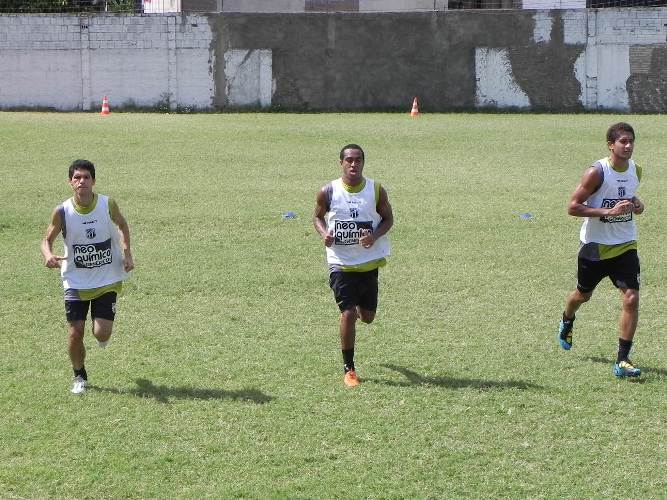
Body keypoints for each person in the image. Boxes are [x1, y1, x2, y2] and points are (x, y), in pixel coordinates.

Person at [558, 123, 645, 378]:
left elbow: (631, 200)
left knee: (631, 298)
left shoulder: (636, 170)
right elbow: (573, 207)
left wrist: (637, 205)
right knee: (581, 295)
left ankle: (623, 359)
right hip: (594, 248)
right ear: (611, 145)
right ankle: (567, 319)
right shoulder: (597, 172)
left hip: (625, 244)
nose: (628, 146)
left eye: (631, 141)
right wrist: (607, 211)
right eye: (623, 142)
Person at [41, 159, 134, 394]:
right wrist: (48, 255)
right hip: (76, 281)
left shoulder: (107, 204)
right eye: (77, 177)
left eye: (86, 177)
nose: (81, 181)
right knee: (75, 332)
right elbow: (46, 240)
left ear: (93, 181)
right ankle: (79, 375)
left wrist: (127, 254)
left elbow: (122, 225)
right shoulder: (62, 211)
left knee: (101, 333)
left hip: (106, 278)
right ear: (70, 182)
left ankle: (102, 336)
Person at [314, 144, 393, 387]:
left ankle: (360, 308)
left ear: (363, 163)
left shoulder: (376, 190)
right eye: (349, 160)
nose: (353, 164)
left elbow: (388, 219)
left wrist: (374, 236)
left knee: (367, 317)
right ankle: (349, 369)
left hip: (368, 262)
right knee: (347, 314)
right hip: (341, 263)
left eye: (358, 160)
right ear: (341, 163)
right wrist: (324, 233)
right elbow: (317, 217)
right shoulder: (328, 191)